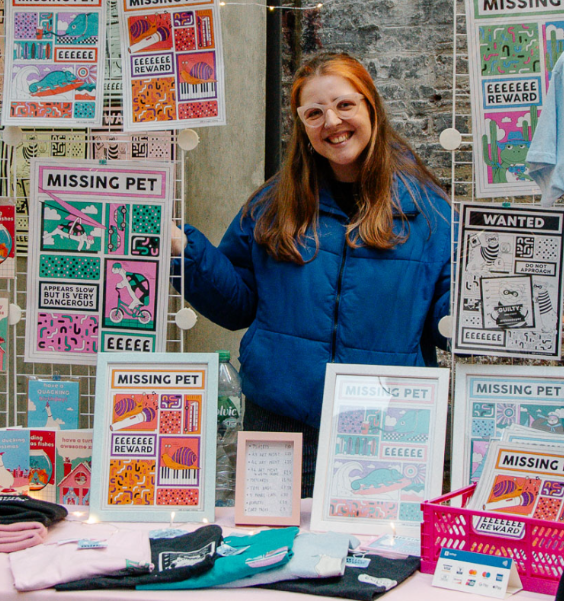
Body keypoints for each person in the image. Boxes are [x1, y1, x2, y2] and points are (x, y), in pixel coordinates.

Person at [172, 52, 452, 496]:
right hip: (280, 422)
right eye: (315, 113)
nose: (332, 122)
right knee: (272, 556)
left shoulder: (430, 212)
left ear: (370, 108)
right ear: (302, 126)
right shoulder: (272, 204)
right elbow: (237, 304)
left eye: (344, 105)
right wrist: (184, 251)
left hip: (388, 427)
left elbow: (448, 320)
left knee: (377, 555)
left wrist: (482, 306)